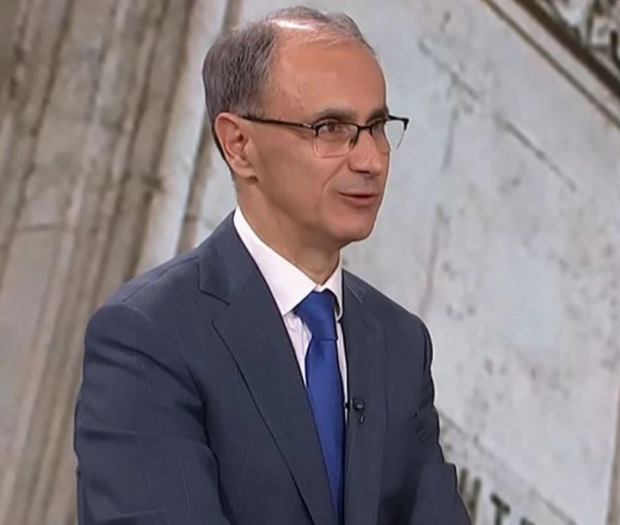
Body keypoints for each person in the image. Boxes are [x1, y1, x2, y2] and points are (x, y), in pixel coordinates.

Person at [73, 6, 471, 525]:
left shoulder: (399, 344)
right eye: (331, 128)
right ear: (239, 145)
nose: (371, 160)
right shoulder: (149, 334)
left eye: (376, 126)